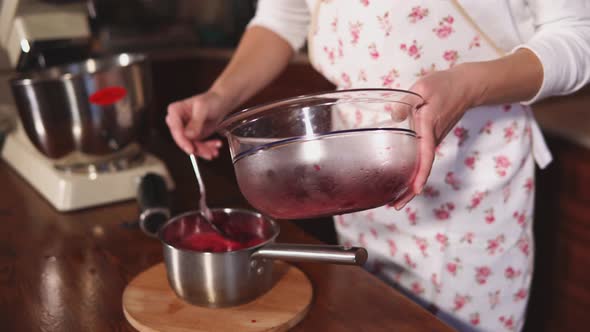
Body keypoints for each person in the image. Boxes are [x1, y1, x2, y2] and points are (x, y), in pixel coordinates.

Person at [166, 1, 590, 331]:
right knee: (369, 315)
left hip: (473, 183)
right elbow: (284, 13)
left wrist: (467, 85)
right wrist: (220, 97)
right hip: (356, 174)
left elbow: (578, 37)